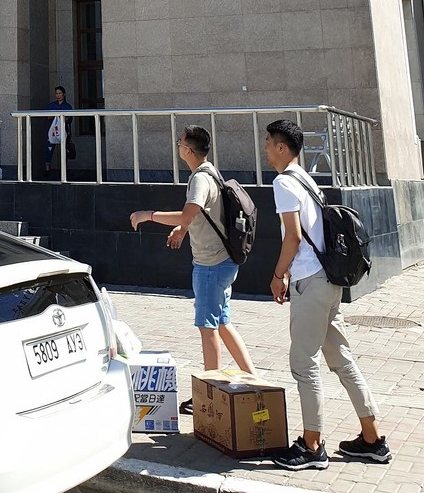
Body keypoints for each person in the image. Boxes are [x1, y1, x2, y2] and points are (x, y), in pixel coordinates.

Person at [264, 119, 391, 469]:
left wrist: (279, 275)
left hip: (309, 281)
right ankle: (372, 439)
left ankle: (311, 446)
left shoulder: (283, 183)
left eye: (268, 142)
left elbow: (292, 237)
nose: (265, 148)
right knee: (341, 359)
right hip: (330, 280)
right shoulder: (306, 179)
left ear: (281, 147)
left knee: (304, 364)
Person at [130, 124, 256, 413]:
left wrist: (148, 215)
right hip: (222, 260)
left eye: (180, 143)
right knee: (222, 323)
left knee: (208, 327)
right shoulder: (211, 171)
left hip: (210, 264)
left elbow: (191, 211)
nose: (178, 147)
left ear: (187, 150)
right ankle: (252, 378)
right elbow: (203, 215)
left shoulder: (200, 178)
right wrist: (182, 230)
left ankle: (209, 394)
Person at [44, 85, 74, 177]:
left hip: (63, 130)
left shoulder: (67, 106)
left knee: (64, 150)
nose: (58, 95)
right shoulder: (51, 105)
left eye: (60, 93)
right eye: (56, 93)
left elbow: (69, 119)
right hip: (51, 130)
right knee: (48, 150)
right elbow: (47, 117)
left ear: (64, 94)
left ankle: (64, 170)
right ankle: (47, 170)